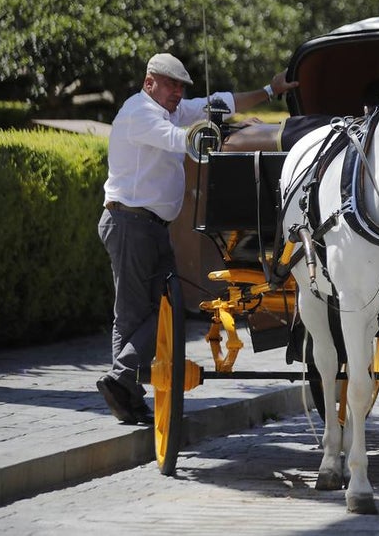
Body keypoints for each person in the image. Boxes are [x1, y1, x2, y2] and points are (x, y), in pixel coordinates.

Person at [96, 52, 297, 424]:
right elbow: (183, 140)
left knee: (144, 313)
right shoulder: (139, 113)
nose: (177, 92)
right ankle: (122, 380)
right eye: (170, 85)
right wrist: (233, 131)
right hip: (129, 223)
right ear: (149, 83)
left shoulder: (171, 110)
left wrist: (270, 91)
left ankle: (125, 394)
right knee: (154, 311)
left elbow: (217, 103)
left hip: (150, 225)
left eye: (180, 87)